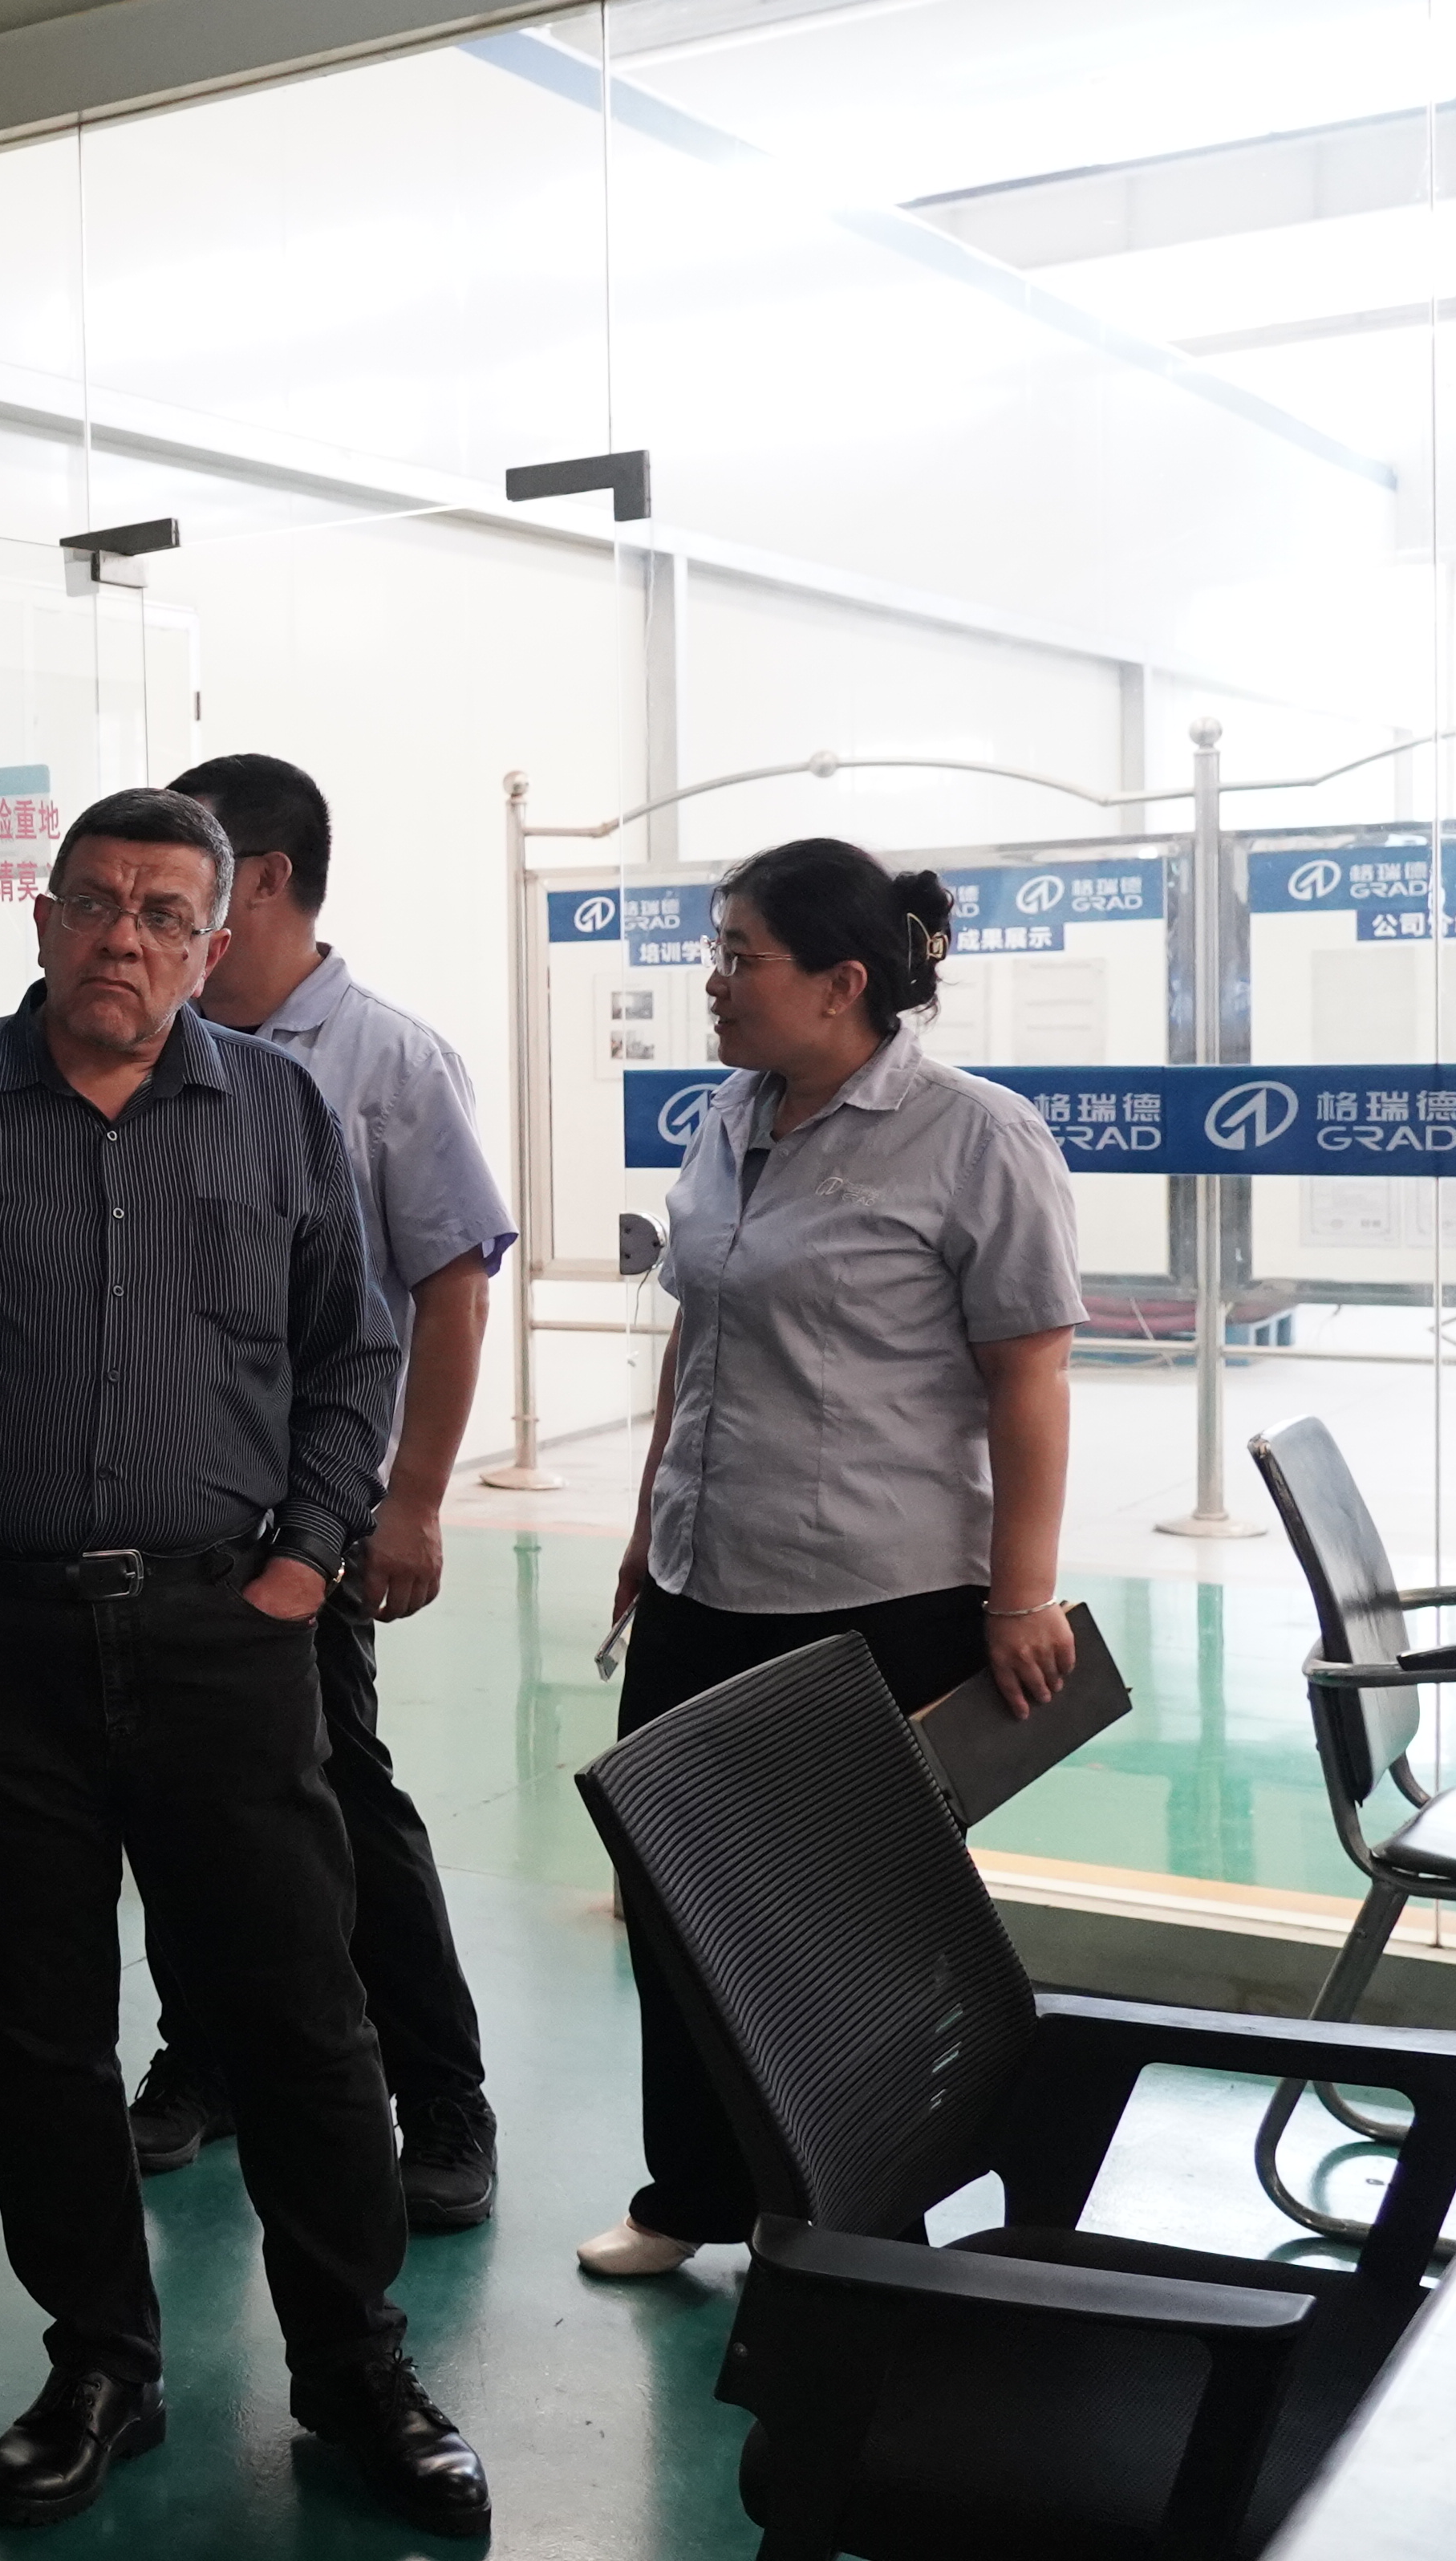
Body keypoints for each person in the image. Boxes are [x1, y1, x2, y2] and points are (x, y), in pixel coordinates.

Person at [0, 786, 489, 2539]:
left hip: (219, 1635)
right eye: (97, 902)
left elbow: (353, 1353)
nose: (126, 937)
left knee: (300, 2014)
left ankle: (355, 2361)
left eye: (166, 914)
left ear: (214, 939)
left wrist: (307, 1557)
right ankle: (102, 2354)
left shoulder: (281, 1112)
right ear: (42, 919)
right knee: (36, 2024)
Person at [582, 837, 1078, 2281]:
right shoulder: (728, 1114)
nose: (716, 983)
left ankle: (866, 2230)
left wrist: (1021, 1593)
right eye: (717, 955)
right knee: (675, 1900)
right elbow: (701, 1325)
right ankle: (694, 2192)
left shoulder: (976, 1137)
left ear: (842, 981)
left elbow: (1031, 1375)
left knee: (853, 1932)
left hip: (878, 1601)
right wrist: (649, 1520)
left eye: (741, 957)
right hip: (703, 1575)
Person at [127, 753, 513, 2233]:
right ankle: (204, 2060)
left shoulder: (386, 1061)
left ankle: (445, 2097)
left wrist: (410, 1502)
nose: (153, 915)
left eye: (190, 876)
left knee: (341, 1801)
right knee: (176, 1801)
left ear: (267, 879)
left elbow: (452, 1290)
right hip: (169, 1512)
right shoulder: (153, 1042)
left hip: (311, 1514)